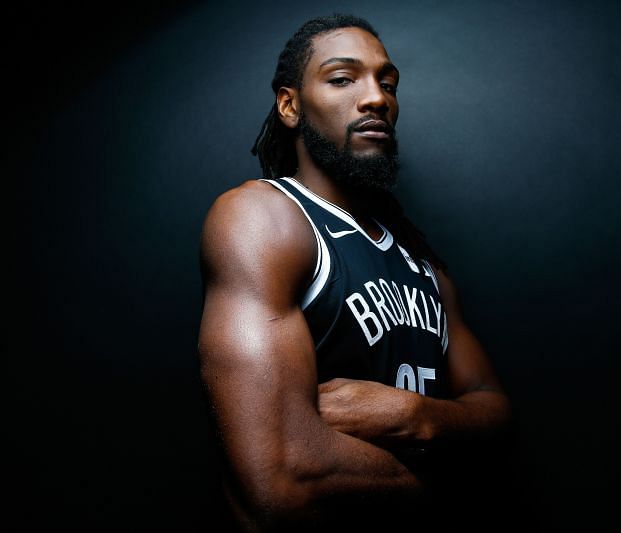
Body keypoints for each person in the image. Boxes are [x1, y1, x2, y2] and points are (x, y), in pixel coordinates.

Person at [197, 13, 513, 531]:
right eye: (343, 79)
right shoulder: (265, 219)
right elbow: (281, 481)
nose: (376, 99)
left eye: (386, 83)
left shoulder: (422, 257)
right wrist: (453, 488)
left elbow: (499, 417)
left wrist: (418, 417)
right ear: (290, 105)